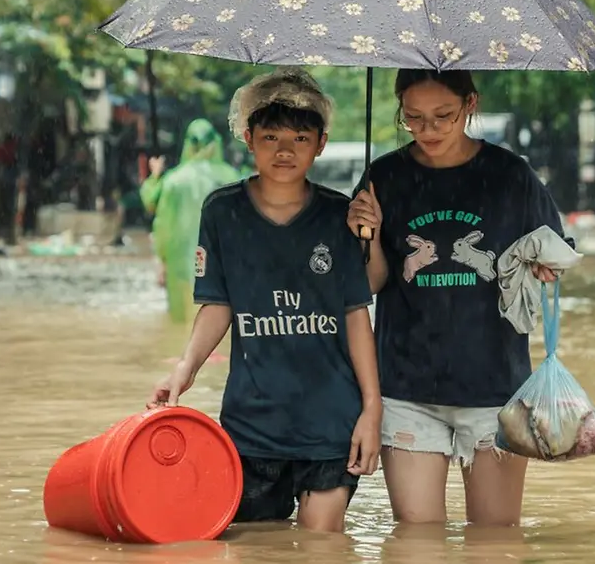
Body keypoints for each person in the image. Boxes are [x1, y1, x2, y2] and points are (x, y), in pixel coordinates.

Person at [149, 69, 382, 533]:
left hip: (330, 423)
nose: (284, 150)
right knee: (252, 547)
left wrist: (372, 408)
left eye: (300, 137)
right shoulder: (222, 211)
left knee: (321, 544)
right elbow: (218, 305)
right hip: (251, 427)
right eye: (270, 136)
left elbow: (358, 312)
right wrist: (185, 368)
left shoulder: (342, 215)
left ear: (321, 143)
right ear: (247, 138)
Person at [345, 69, 565, 528]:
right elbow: (369, 285)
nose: (428, 131)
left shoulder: (511, 176)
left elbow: (552, 260)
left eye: (443, 116)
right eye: (414, 119)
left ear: (470, 104)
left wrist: (546, 267)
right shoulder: (381, 177)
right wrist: (366, 234)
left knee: (494, 543)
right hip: (407, 387)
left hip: (494, 389)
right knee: (416, 544)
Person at [139, 118, 249, 322]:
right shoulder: (232, 179)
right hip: (224, 264)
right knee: (224, 324)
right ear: (215, 143)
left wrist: (154, 176)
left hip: (179, 264)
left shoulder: (173, 181)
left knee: (182, 325)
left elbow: (158, 217)